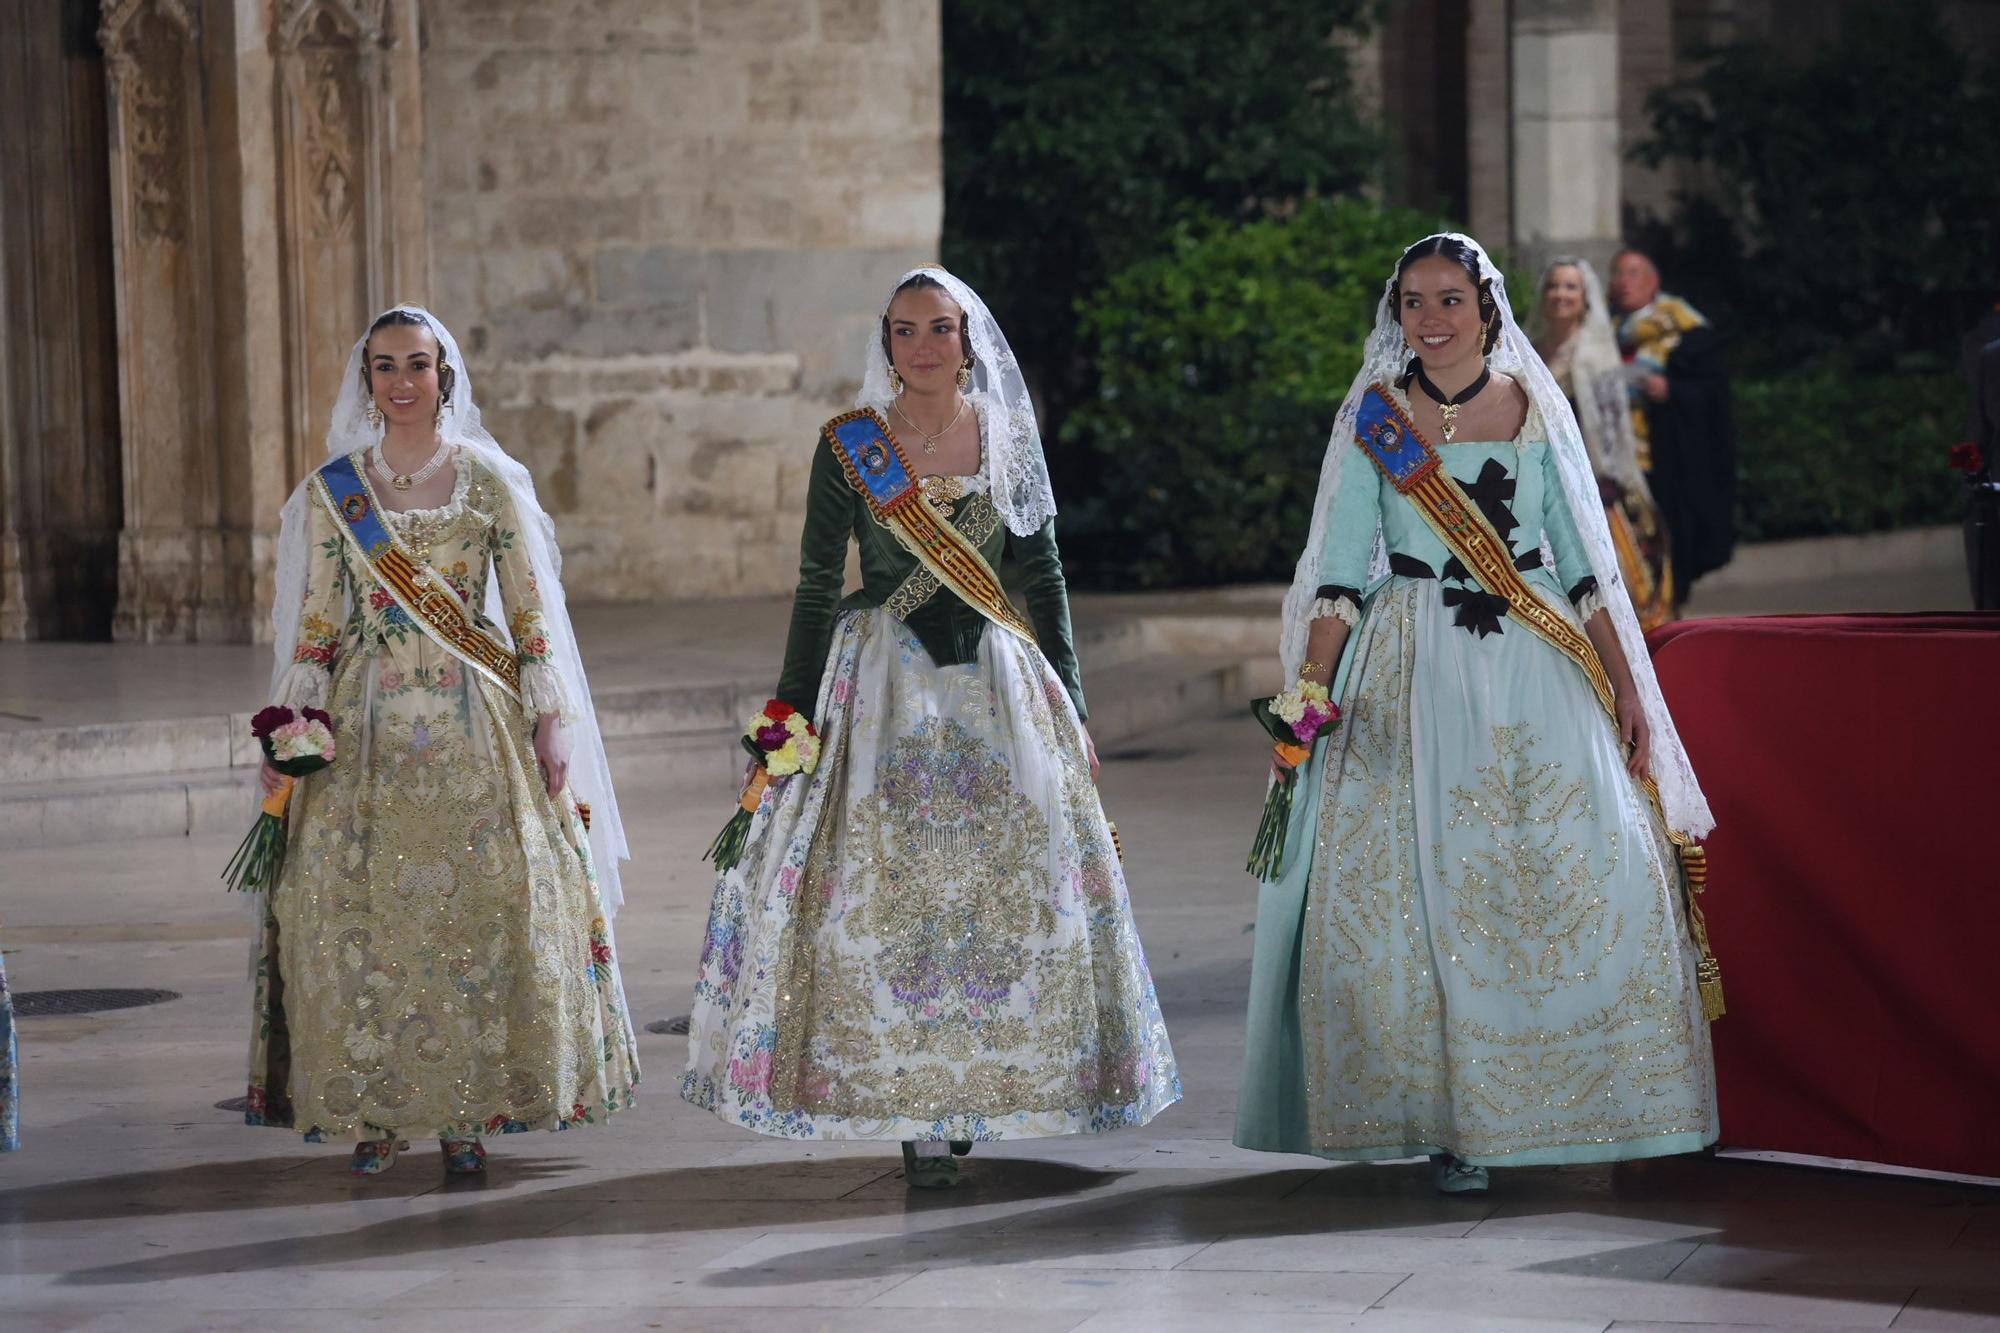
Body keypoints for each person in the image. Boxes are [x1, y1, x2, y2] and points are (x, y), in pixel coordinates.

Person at [1235, 234, 1722, 1194]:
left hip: (1538, 660)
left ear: (1487, 309)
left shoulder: (1536, 405)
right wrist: (1310, 691)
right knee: (1425, 891)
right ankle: (1455, 1119)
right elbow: (1339, 573)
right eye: (1414, 301)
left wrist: (1628, 687)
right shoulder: (1376, 419)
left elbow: (1586, 567)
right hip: (1410, 664)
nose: (1432, 318)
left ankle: (1594, 1099)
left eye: (1450, 299)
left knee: (1582, 866)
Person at [681, 265, 1180, 1188]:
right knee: (894, 887)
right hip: (880, 685)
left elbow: (1047, 576)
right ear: (886, 341)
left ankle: (984, 1085)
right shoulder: (849, 444)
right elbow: (818, 585)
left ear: (968, 338)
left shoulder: (1008, 436)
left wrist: (1070, 700)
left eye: (940, 329)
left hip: (998, 681)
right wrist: (790, 709)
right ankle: (914, 1106)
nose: (922, 347)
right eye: (904, 331)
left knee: (1003, 888)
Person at [249, 305, 639, 1176]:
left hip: (475, 722)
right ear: (368, 380)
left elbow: (530, 615)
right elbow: (318, 623)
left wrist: (549, 719)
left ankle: (472, 1110)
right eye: (384, 366)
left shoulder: (490, 485)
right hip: (366, 730)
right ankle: (375, 1112)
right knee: (359, 915)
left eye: (416, 365)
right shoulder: (332, 493)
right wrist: (294, 721)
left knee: (485, 911)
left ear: (444, 377)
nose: (400, 382)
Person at [1531, 257, 1675, 629]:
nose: (1560, 294)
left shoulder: (1595, 354)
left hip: (1590, 487)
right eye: (1554, 286)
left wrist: (1606, 483)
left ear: (1585, 298)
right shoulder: (1530, 350)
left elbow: (1611, 428)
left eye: (1570, 287)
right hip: (1536, 483)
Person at [1609, 249, 1736, 602]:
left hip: (1670, 457)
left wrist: (1671, 391)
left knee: (1669, 548)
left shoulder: (1686, 331)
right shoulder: (1605, 333)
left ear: (1654, 282)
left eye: (1633, 273)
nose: (1623, 281)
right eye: (1617, 273)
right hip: (1620, 458)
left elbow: (1714, 393)